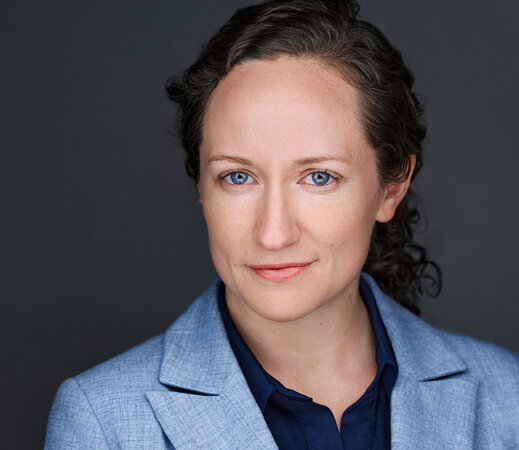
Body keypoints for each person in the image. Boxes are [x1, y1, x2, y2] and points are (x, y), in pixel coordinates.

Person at [44, 0, 519, 448]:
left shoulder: (507, 397)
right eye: (237, 176)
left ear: (390, 188)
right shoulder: (103, 422)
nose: (273, 234)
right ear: (201, 185)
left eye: (319, 177)